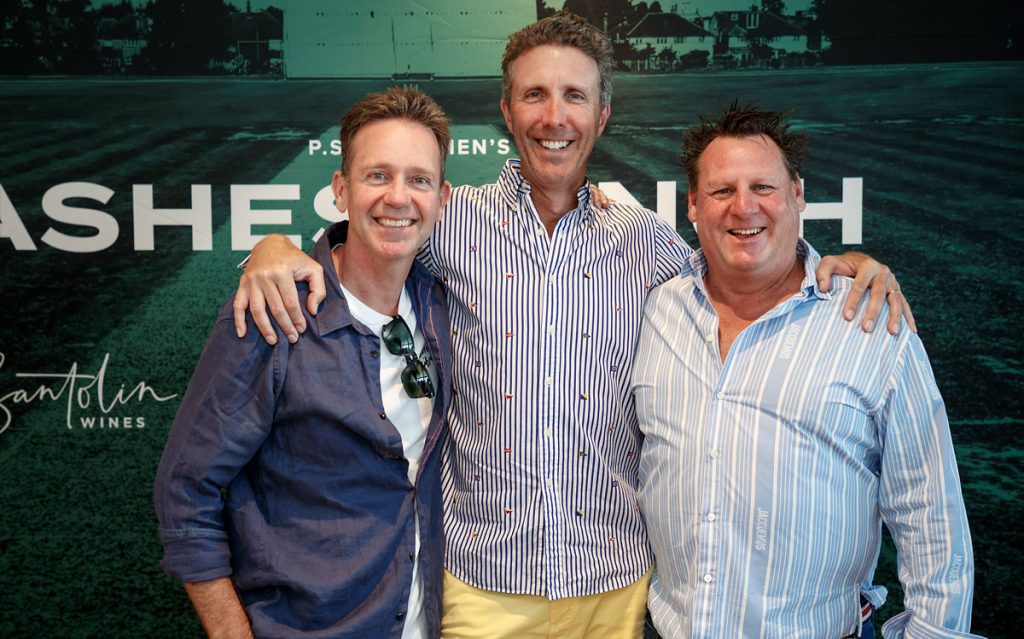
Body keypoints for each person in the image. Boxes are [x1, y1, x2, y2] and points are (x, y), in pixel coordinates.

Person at [233, 12, 913, 638]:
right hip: (482, 584)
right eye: (534, 95)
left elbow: (742, 273)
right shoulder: (451, 221)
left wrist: (840, 265)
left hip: (617, 583)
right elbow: (369, 239)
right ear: (507, 110)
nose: (553, 116)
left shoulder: (646, 240)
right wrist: (274, 248)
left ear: (602, 114)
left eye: (574, 96)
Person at [632, 104, 977, 639]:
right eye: (722, 190)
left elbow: (929, 512)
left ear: (797, 194)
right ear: (694, 205)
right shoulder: (656, 308)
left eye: (763, 187)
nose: (743, 207)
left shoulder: (868, 320)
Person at [153, 87, 453, 639]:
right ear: (341, 190)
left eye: (419, 179)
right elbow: (185, 490)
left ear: (442, 198)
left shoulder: (443, 304)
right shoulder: (273, 313)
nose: (398, 197)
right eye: (377, 175)